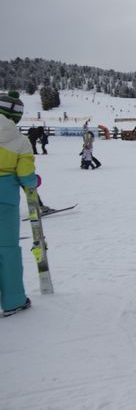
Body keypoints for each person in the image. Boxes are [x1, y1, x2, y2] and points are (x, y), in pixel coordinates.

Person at [0, 91, 35, 316]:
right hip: (5, 199)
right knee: (7, 250)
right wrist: (32, 181)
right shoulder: (21, 141)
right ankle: (13, 300)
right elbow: (26, 176)